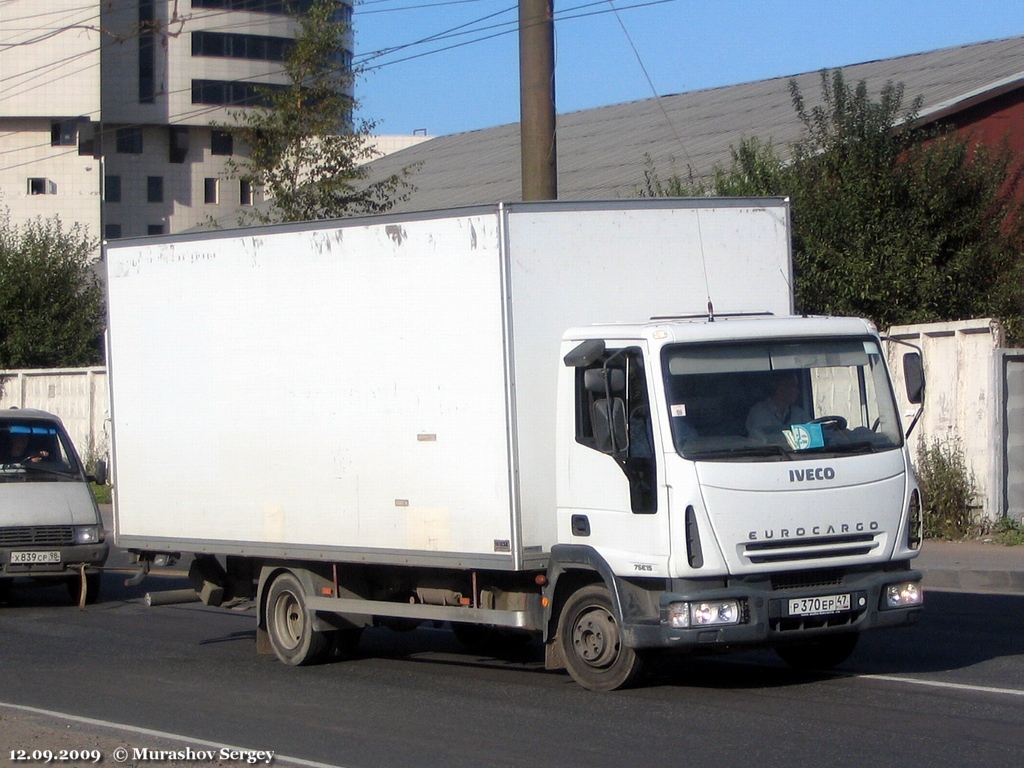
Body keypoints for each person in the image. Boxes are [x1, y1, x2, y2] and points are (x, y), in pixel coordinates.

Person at [746, 371, 811, 439]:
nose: (797, 391)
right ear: (780, 388)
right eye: (793, 386)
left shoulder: (799, 413)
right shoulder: (759, 412)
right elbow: (762, 441)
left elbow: (811, 433)